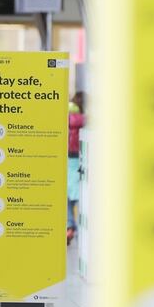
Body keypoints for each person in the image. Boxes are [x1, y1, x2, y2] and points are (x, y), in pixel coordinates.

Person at [67, 92, 85, 245]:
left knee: (68, 195)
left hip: (69, 157)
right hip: (83, 157)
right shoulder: (86, 120)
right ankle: (82, 226)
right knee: (81, 193)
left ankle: (70, 227)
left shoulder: (66, 118)